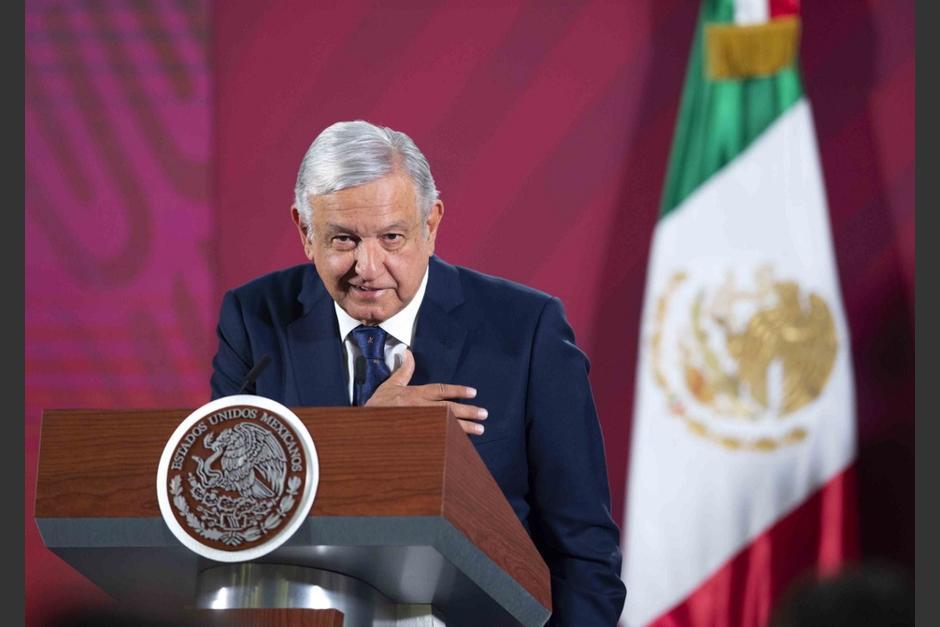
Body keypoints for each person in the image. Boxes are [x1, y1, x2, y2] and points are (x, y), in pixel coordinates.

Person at [210, 120, 627, 625]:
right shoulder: (255, 320)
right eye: (342, 240)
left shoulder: (526, 331)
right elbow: (221, 509)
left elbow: (584, 552)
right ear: (305, 232)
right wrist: (364, 437)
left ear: (431, 225)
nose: (367, 266)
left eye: (391, 237)